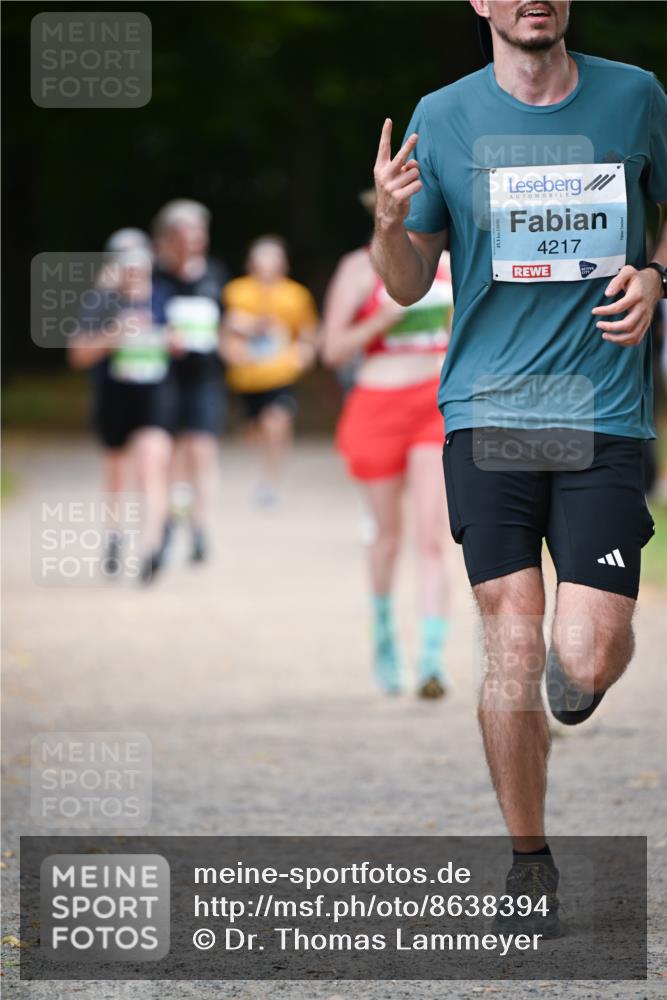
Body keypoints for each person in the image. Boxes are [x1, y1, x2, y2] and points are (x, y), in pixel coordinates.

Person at [371, 0, 666, 936]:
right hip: (487, 408)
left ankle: (578, 678)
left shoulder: (635, 96)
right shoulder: (444, 114)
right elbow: (405, 281)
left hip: (600, 412)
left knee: (586, 654)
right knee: (510, 634)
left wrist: (656, 275)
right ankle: (528, 862)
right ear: (481, 3)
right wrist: (387, 221)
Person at [323, 192, 454, 698]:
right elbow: (332, 350)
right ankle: (384, 639)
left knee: (431, 535)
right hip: (377, 406)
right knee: (387, 536)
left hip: (433, 404)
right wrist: (385, 316)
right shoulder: (357, 268)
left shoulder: (449, 265)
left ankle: (432, 660)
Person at [69, 232, 176, 583]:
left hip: (154, 396)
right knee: (117, 471)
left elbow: (183, 340)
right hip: (114, 396)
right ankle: (115, 534)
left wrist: (169, 339)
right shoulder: (101, 302)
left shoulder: (163, 297)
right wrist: (114, 334)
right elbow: (78, 354)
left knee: (150, 465)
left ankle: (152, 545)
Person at [152, 200, 229, 562]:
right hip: (163, 379)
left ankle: (201, 528)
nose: (195, 241)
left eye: (200, 234)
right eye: (187, 235)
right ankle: (168, 521)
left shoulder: (214, 273)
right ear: (168, 238)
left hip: (205, 378)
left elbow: (225, 320)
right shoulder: (154, 276)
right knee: (169, 455)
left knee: (202, 449)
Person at [221, 236, 319, 505]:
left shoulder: (296, 295)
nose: (267, 266)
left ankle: (270, 481)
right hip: (246, 377)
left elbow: (309, 332)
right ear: (250, 264)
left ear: (283, 264)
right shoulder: (236, 292)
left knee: (277, 421)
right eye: (261, 260)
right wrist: (231, 349)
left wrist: (306, 352)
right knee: (252, 433)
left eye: (273, 260)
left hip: (280, 374)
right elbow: (225, 333)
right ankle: (252, 469)